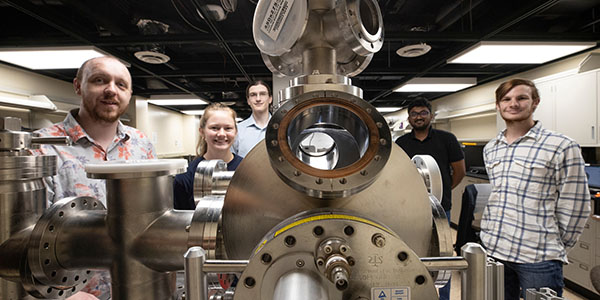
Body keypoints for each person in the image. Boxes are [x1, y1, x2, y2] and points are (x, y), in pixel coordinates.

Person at [35, 56, 156, 300]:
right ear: (78, 86)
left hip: (137, 288)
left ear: (129, 93)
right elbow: (24, 237)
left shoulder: (141, 145)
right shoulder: (43, 147)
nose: (111, 90)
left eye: (121, 85)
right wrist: (61, 295)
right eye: (100, 80)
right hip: (70, 294)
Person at [482, 78, 591, 299]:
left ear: (535, 103)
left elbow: (576, 205)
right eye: (506, 99)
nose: (513, 104)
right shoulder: (491, 148)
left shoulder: (561, 146)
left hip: (538, 256)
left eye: (521, 98)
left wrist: (554, 245)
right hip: (495, 250)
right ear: (498, 105)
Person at [395, 97, 465, 300]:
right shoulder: (402, 143)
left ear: (431, 116)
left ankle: (443, 297)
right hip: (410, 208)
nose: (419, 117)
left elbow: (459, 170)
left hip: (441, 208)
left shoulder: (447, 139)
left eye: (423, 113)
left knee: (443, 256)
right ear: (409, 118)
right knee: (410, 250)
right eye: (414, 114)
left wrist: (442, 190)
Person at [173, 103, 243, 209]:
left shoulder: (246, 170)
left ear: (235, 132)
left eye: (228, 128)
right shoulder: (185, 176)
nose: (221, 134)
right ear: (202, 132)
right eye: (214, 128)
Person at [231, 80, 272, 157]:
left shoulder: (281, 128)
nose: (258, 99)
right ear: (248, 101)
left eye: (262, 94)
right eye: (253, 95)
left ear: (270, 99)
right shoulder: (237, 130)